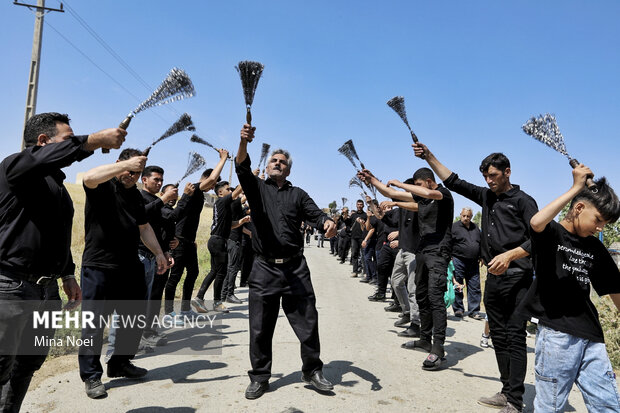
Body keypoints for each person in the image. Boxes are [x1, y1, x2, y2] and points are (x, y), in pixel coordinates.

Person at [0, 112, 125, 412]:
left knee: (28, 364)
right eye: (67, 139)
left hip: (46, 293)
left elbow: (56, 236)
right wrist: (94, 140)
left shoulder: (57, 188)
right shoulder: (16, 167)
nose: (72, 145)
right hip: (9, 287)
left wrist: (67, 274)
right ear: (43, 141)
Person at [414, 143, 537, 412]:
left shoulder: (524, 201)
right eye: (485, 177)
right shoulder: (487, 197)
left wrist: (510, 256)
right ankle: (506, 391)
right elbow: (453, 181)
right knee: (500, 337)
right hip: (493, 277)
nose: (489, 181)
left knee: (515, 336)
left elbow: (538, 238)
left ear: (508, 172)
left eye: (493, 175)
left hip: (518, 276)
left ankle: (515, 400)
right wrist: (430, 156)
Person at [235, 124, 337, 400]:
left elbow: (316, 214)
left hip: (295, 269)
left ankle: (312, 370)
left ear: (288, 170)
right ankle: (259, 376)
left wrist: (327, 222)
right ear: (267, 167)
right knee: (259, 327)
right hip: (264, 268)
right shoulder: (256, 189)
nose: (277, 164)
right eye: (273, 161)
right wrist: (243, 142)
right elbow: (242, 167)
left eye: (282, 162)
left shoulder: (298, 194)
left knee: (308, 322)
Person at [520, 166, 620, 413]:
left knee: (607, 405)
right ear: (578, 208)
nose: (600, 229)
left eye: (605, 224)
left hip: (591, 338)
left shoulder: (595, 249)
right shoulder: (551, 234)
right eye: (598, 220)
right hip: (557, 336)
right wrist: (575, 188)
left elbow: (615, 288)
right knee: (550, 407)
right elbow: (536, 221)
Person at [78, 148, 171, 399]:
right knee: (93, 325)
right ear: (119, 164)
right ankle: (91, 375)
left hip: (130, 267)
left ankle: (119, 363)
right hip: (99, 266)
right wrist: (125, 165)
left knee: (133, 320)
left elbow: (144, 227)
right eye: (129, 170)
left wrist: (160, 253)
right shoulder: (102, 185)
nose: (132, 176)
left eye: (137, 173)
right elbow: (88, 176)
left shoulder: (135, 197)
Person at [366, 168, 454, 370]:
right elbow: (391, 194)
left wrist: (401, 184)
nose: (417, 191)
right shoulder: (422, 202)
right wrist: (372, 179)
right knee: (421, 295)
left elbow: (428, 194)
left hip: (439, 252)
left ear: (430, 181)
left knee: (435, 298)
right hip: (422, 250)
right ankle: (425, 339)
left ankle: (438, 349)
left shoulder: (443, 194)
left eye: (419, 186)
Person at [164, 150, 228, 322]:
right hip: (179, 241)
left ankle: (185, 310)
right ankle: (169, 313)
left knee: (193, 273)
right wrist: (222, 159)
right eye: (212, 185)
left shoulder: (199, 193)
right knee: (175, 277)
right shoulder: (194, 188)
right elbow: (213, 179)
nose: (213, 187)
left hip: (189, 243)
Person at [191, 180, 246, 313]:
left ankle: (207, 300)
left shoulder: (223, 206)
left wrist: (241, 221)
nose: (231, 191)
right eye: (228, 189)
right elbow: (238, 191)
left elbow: (229, 225)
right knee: (219, 272)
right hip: (218, 241)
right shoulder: (221, 202)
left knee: (217, 271)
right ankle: (208, 300)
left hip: (216, 241)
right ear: (221, 193)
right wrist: (249, 177)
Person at [450, 207, 482, 319]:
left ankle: (474, 311)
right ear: (460, 215)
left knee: (475, 286)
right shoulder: (454, 227)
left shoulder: (476, 228)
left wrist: (482, 256)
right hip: (458, 260)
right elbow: (448, 242)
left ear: (471, 217)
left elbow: (481, 243)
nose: (466, 218)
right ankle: (458, 309)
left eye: (468, 216)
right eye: (464, 216)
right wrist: (449, 258)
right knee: (458, 285)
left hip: (473, 262)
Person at [350, 200, 368, 278]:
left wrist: (362, 223)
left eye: (361, 204)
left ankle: (365, 272)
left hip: (363, 237)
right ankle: (355, 271)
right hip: (354, 237)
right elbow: (349, 225)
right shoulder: (353, 215)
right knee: (354, 254)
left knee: (364, 255)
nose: (360, 206)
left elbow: (367, 227)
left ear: (363, 205)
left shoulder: (365, 215)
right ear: (356, 205)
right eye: (358, 204)